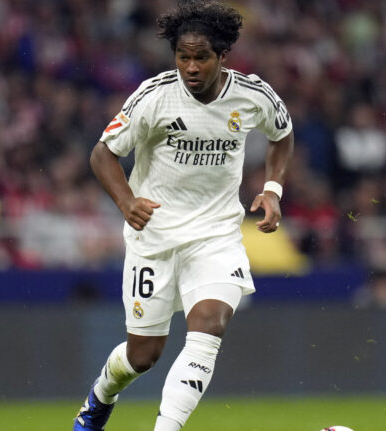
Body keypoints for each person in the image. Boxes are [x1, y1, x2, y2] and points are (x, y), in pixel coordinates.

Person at [73, 1, 293, 430]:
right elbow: (103, 153)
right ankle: (100, 397)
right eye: (183, 57)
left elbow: (281, 135)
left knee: (208, 329)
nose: (190, 67)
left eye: (201, 57)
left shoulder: (252, 96)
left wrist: (272, 189)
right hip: (154, 239)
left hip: (216, 237)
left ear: (222, 55)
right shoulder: (155, 96)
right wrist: (126, 202)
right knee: (143, 356)